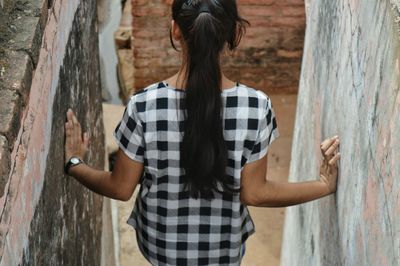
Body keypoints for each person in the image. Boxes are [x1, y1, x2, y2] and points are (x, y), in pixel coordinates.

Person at [64, 0, 341, 265]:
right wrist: (323, 185)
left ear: (175, 30)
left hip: (161, 248)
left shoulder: (143, 105)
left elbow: (121, 187)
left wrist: (74, 163)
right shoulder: (257, 107)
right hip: (223, 251)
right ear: (234, 33)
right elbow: (255, 193)